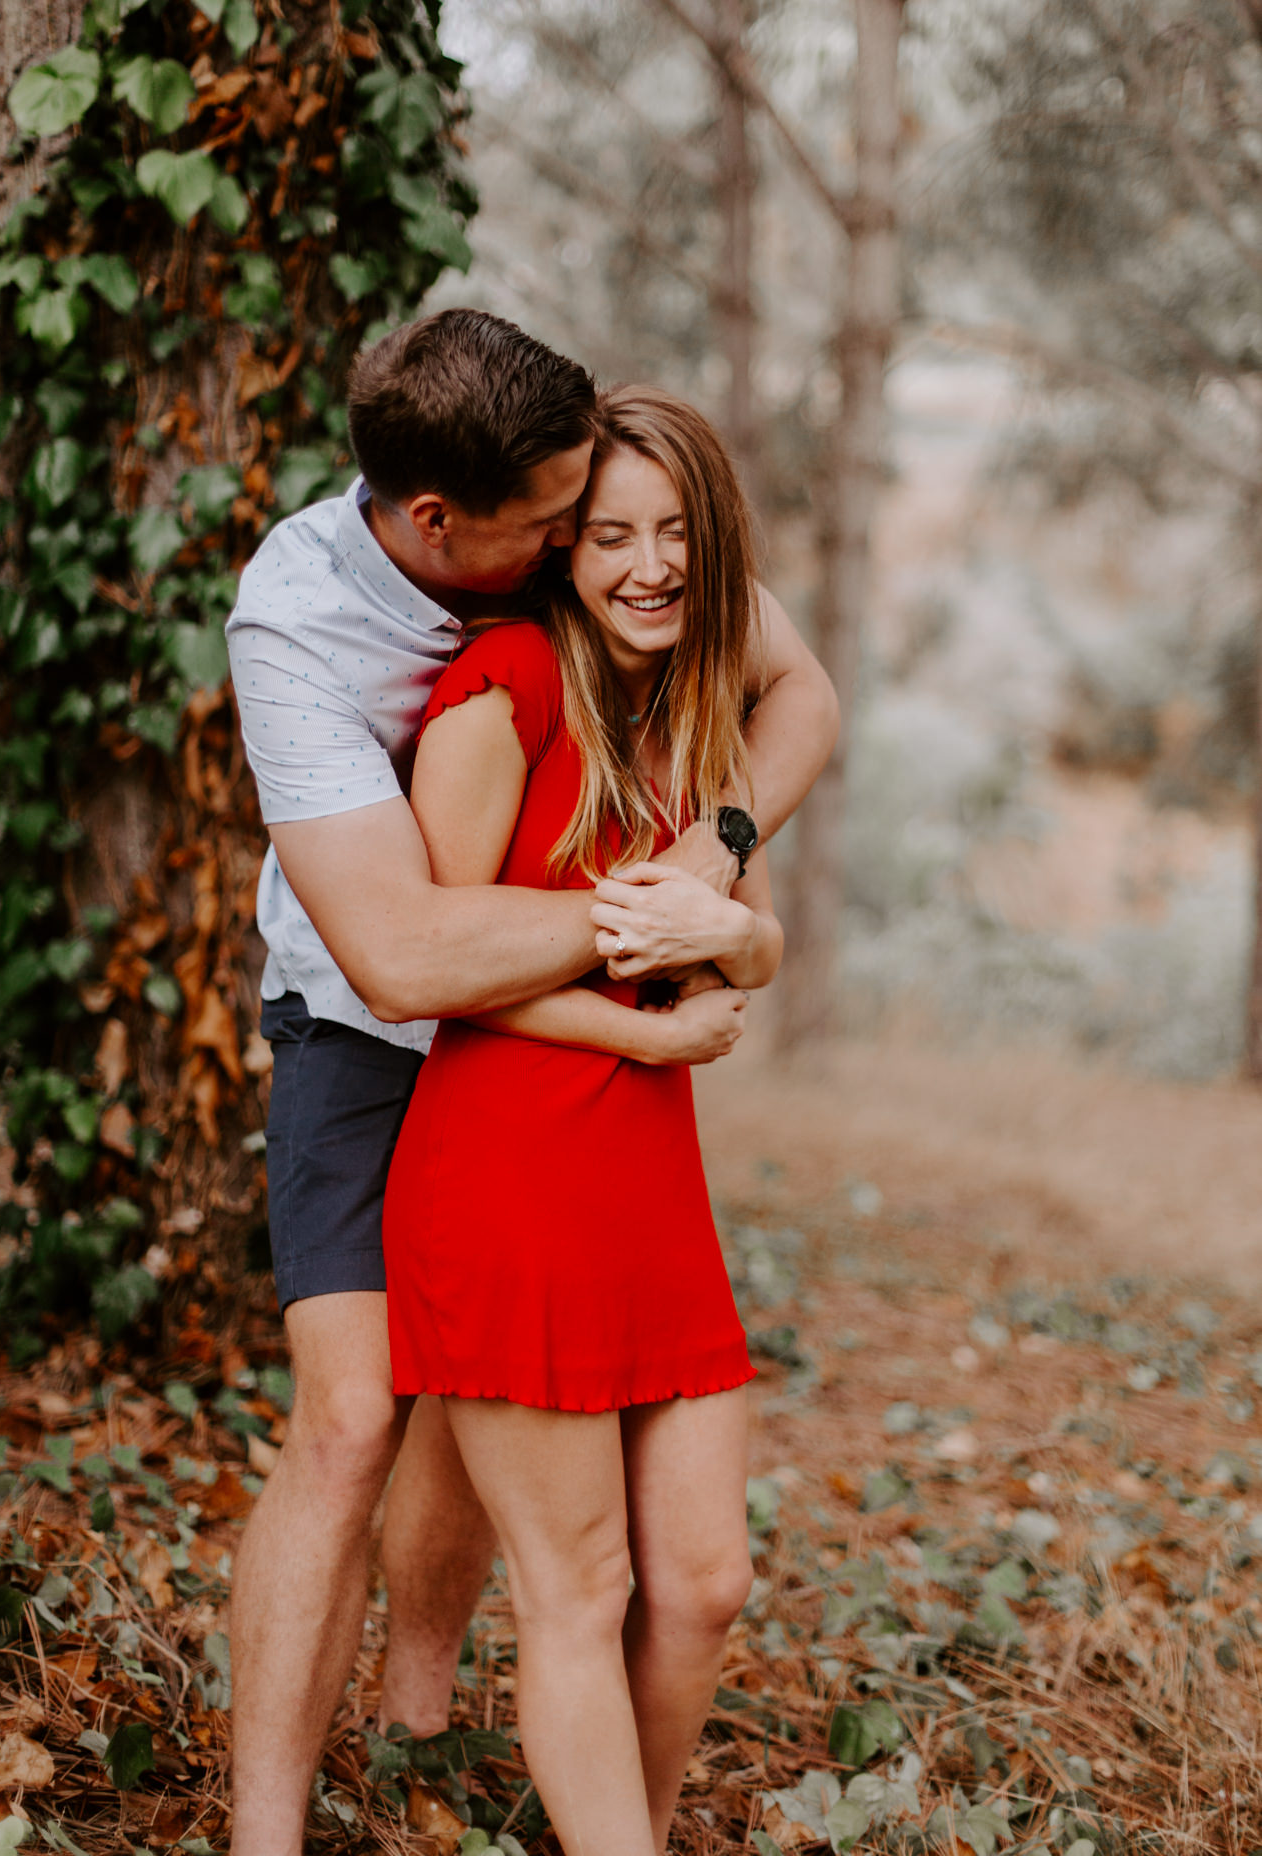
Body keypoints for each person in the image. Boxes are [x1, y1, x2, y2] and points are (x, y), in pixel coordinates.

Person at [224, 310, 839, 1856]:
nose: (608, 542)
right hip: (369, 1019)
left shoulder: (604, 551)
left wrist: (716, 863)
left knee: (502, 1431)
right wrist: (648, 945)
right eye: (568, 521)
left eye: (625, 515)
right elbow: (403, 963)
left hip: (556, 1050)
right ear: (451, 525)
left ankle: (420, 1717)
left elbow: (800, 690)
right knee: (359, 1417)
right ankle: (262, 1829)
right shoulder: (306, 623)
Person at [384, 384, 784, 1856]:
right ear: (560, 550)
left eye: (676, 531)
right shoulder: (505, 689)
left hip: (643, 1188)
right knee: (579, 1584)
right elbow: (432, 971)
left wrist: (735, 946)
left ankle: (625, 1829)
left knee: (703, 1581)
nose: (648, 564)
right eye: (611, 533)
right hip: (506, 1177)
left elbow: (746, 933)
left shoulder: (676, 712)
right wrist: (652, 1023)